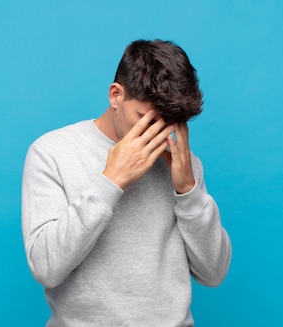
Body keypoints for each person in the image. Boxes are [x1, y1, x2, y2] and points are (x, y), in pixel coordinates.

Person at [21, 39, 232, 326]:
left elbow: (214, 273)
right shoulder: (52, 153)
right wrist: (111, 181)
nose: (158, 135)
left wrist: (189, 192)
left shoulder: (183, 161)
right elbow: (46, 267)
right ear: (115, 95)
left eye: (170, 124)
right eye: (146, 120)